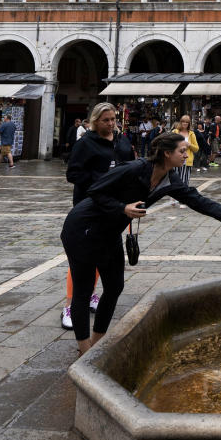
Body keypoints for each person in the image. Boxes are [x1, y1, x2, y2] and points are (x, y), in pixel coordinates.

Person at [61, 132, 221, 355]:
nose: (186, 154)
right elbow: (94, 191)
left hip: (110, 232)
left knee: (114, 287)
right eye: (182, 151)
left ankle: (97, 344)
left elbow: (198, 201)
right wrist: (122, 208)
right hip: (82, 229)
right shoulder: (134, 168)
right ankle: (84, 351)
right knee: (83, 290)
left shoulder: (170, 179)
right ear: (166, 153)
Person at [61, 102, 135, 329]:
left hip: (115, 208)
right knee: (82, 256)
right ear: (95, 121)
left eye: (113, 119)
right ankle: (71, 304)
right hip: (89, 207)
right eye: (106, 120)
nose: (111, 124)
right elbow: (73, 174)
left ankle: (92, 294)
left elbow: (129, 166)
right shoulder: (85, 144)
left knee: (105, 252)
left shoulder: (122, 141)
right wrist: (100, 183)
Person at [171, 115, 199, 189]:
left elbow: (196, 149)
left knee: (184, 181)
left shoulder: (191, 134)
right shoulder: (175, 132)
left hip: (187, 160)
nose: (185, 124)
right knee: (175, 180)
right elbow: (169, 144)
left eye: (187, 122)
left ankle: (183, 198)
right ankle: (175, 198)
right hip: (176, 159)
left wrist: (189, 144)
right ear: (180, 122)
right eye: (183, 122)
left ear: (189, 123)